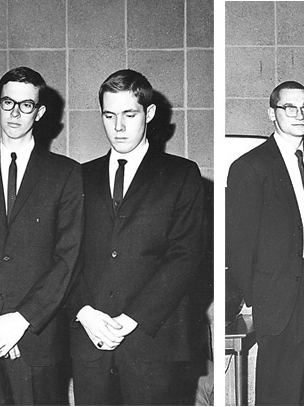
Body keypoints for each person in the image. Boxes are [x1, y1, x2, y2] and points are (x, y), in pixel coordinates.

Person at [69, 69, 206, 405]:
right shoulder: (78, 177)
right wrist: (84, 311)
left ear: (149, 113)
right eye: (109, 115)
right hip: (91, 342)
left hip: (154, 343)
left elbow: (185, 256)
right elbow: (64, 255)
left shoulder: (182, 174)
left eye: (129, 115)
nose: (118, 127)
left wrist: (131, 320)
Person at [0, 67, 83, 405]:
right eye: (8, 102)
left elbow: (68, 258)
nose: (15, 113)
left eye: (26, 105)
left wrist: (20, 320)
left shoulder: (66, 173)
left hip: (37, 336)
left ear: (40, 112)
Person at [226, 80, 304, 405]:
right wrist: (259, 297)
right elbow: (238, 244)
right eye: (289, 107)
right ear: (271, 114)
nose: (299, 114)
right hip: (280, 292)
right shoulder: (250, 167)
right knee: (283, 389)